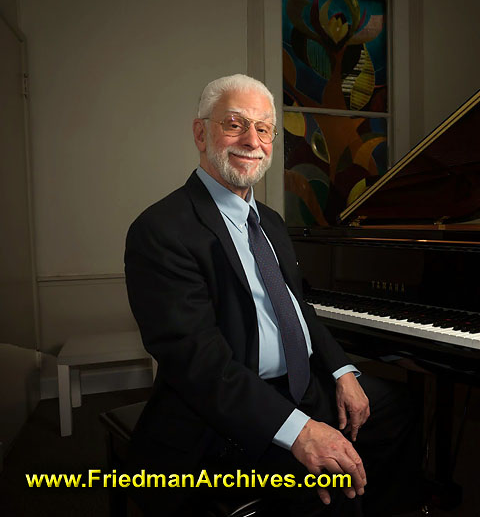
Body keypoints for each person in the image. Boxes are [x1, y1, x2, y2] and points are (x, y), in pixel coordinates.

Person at [124, 74, 420, 516]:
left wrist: (341, 371)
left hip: (300, 386)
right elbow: (199, 365)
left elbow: (297, 309)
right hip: (224, 410)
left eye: (264, 129)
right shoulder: (161, 230)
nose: (251, 140)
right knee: (330, 482)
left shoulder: (271, 222)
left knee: (400, 408)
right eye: (235, 124)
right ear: (200, 133)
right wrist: (300, 430)